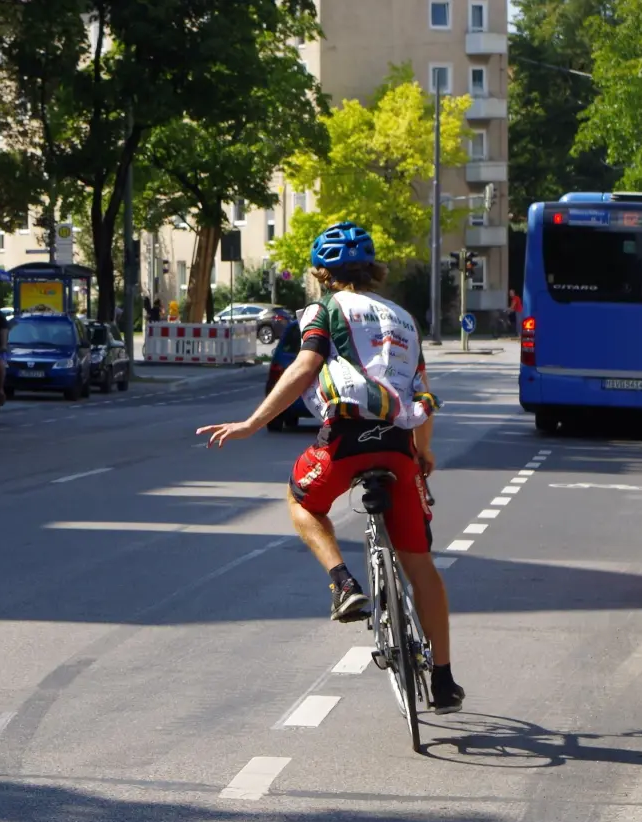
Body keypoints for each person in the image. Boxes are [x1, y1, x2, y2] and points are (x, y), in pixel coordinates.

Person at [196, 221, 465, 713]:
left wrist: (252, 423)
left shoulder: (324, 310)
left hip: (346, 438)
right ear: (372, 269)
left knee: (301, 501)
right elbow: (421, 392)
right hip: (398, 445)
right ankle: (444, 681)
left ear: (322, 273)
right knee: (420, 565)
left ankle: (342, 582)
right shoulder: (404, 319)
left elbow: (305, 367)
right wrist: (423, 452)